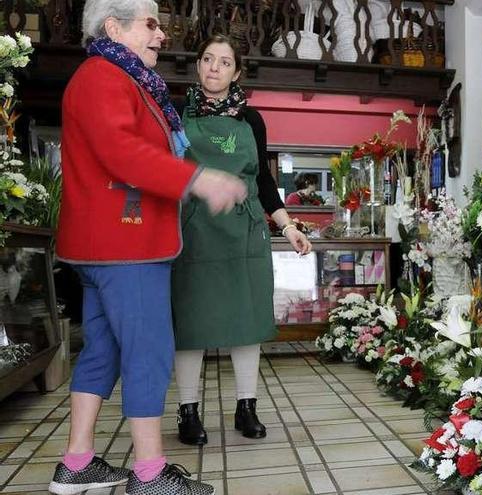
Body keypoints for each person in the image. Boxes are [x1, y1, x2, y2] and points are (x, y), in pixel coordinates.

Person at [49, 1, 246, 494]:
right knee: (149, 352)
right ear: (114, 27)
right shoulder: (104, 77)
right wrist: (198, 178)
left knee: (105, 351)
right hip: (126, 243)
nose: (162, 33)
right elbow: (124, 152)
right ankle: (150, 475)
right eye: (151, 23)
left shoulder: (118, 76)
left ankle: (77, 461)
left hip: (105, 245)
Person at [172, 34, 313, 446]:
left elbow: (264, 181)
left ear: (236, 72)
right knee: (190, 325)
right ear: (198, 66)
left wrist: (287, 226)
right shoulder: (177, 112)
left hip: (245, 232)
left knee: (246, 324)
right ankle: (188, 411)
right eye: (208, 59)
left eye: (224, 62)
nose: (215, 67)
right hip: (193, 232)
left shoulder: (252, 120)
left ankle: (246, 407)